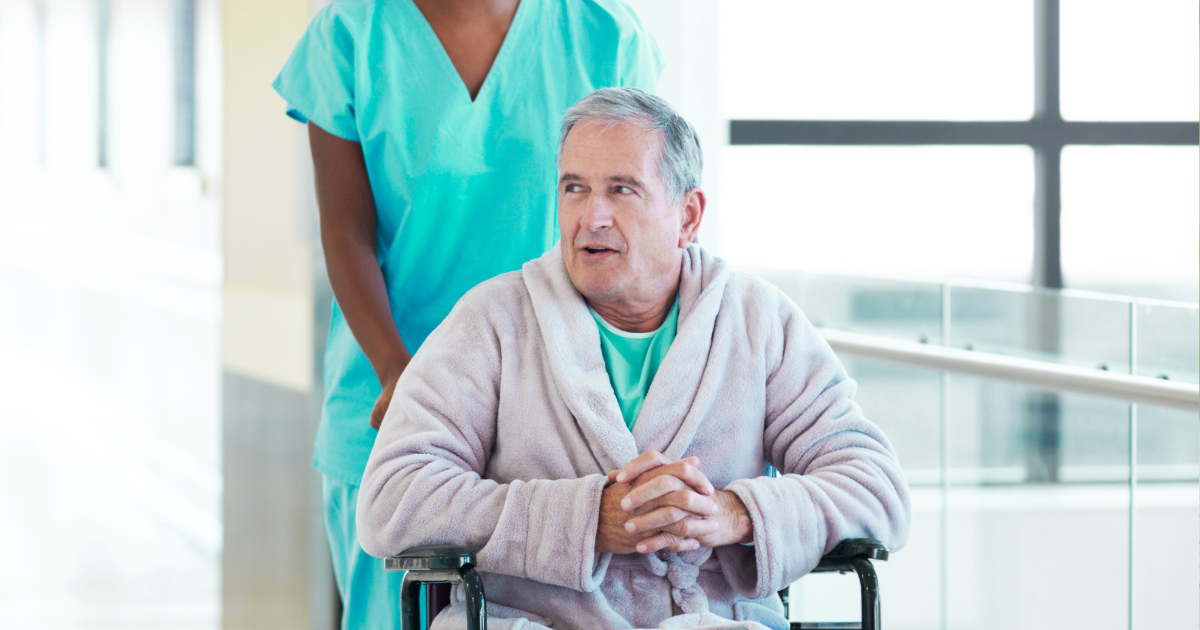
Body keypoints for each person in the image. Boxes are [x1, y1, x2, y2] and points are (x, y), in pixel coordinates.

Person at [357, 88, 912, 630]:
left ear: (688, 215)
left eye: (621, 190)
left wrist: (734, 514)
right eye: (574, 188)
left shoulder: (757, 322)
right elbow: (392, 498)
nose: (592, 216)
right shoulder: (493, 320)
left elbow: (874, 487)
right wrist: (586, 520)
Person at [272, 1, 664, 627]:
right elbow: (345, 230)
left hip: (559, 413)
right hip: (389, 407)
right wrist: (401, 377)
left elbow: (635, 214)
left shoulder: (603, 32)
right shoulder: (352, 33)